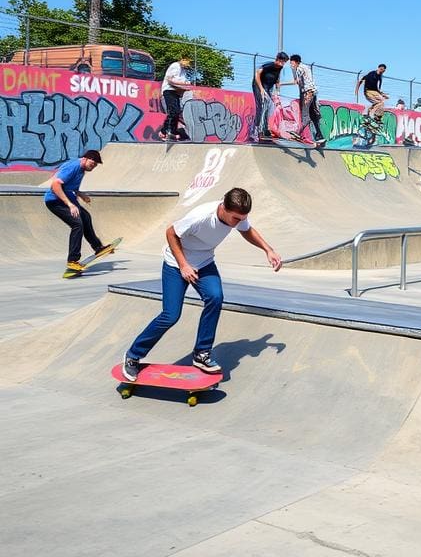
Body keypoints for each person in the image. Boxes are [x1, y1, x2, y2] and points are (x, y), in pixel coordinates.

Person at [120, 187, 282, 381]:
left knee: (215, 297)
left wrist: (268, 250)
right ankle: (132, 356)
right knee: (170, 315)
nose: (238, 223)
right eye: (235, 219)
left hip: (204, 263)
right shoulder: (201, 216)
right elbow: (171, 233)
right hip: (176, 264)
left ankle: (201, 353)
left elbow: (246, 230)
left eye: (242, 218)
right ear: (223, 207)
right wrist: (183, 266)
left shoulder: (237, 215)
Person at [44, 150, 114, 274]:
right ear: (85, 159)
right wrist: (70, 204)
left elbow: (70, 186)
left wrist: (81, 195)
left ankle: (98, 247)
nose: (93, 167)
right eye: (92, 163)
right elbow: (55, 185)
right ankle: (72, 261)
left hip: (65, 199)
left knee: (85, 217)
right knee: (77, 224)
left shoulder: (82, 169)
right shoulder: (74, 167)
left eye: (95, 165)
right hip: (55, 201)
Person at [287, 55, 326, 148]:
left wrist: (280, 84)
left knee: (306, 116)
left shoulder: (299, 68)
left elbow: (296, 81)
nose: (291, 65)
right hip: (312, 92)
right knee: (313, 114)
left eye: (292, 63)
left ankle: (297, 133)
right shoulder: (305, 67)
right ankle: (319, 134)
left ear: (296, 62)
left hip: (307, 93)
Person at [252, 52, 289, 141]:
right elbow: (257, 74)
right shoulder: (270, 65)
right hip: (258, 86)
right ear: (277, 59)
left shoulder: (280, 68)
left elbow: (277, 79)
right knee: (262, 107)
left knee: (270, 107)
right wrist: (261, 89)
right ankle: (255, 131)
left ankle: (265, 129)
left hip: (268, 88)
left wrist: (277, 89)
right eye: (281, 61)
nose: (282, 63)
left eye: (284, 62)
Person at [158, 55, 194, 142]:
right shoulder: (175, 66)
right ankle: (164, 132)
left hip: (176, 93)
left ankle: (173, 132)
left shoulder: (183, 71)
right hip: (168, 91)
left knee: (177, 112)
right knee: (173, 111)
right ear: (182, 60)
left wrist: (185, 86)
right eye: (186, 62)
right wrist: (183, 84)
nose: (187, 65)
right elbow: (170, 79)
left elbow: (181, 84)